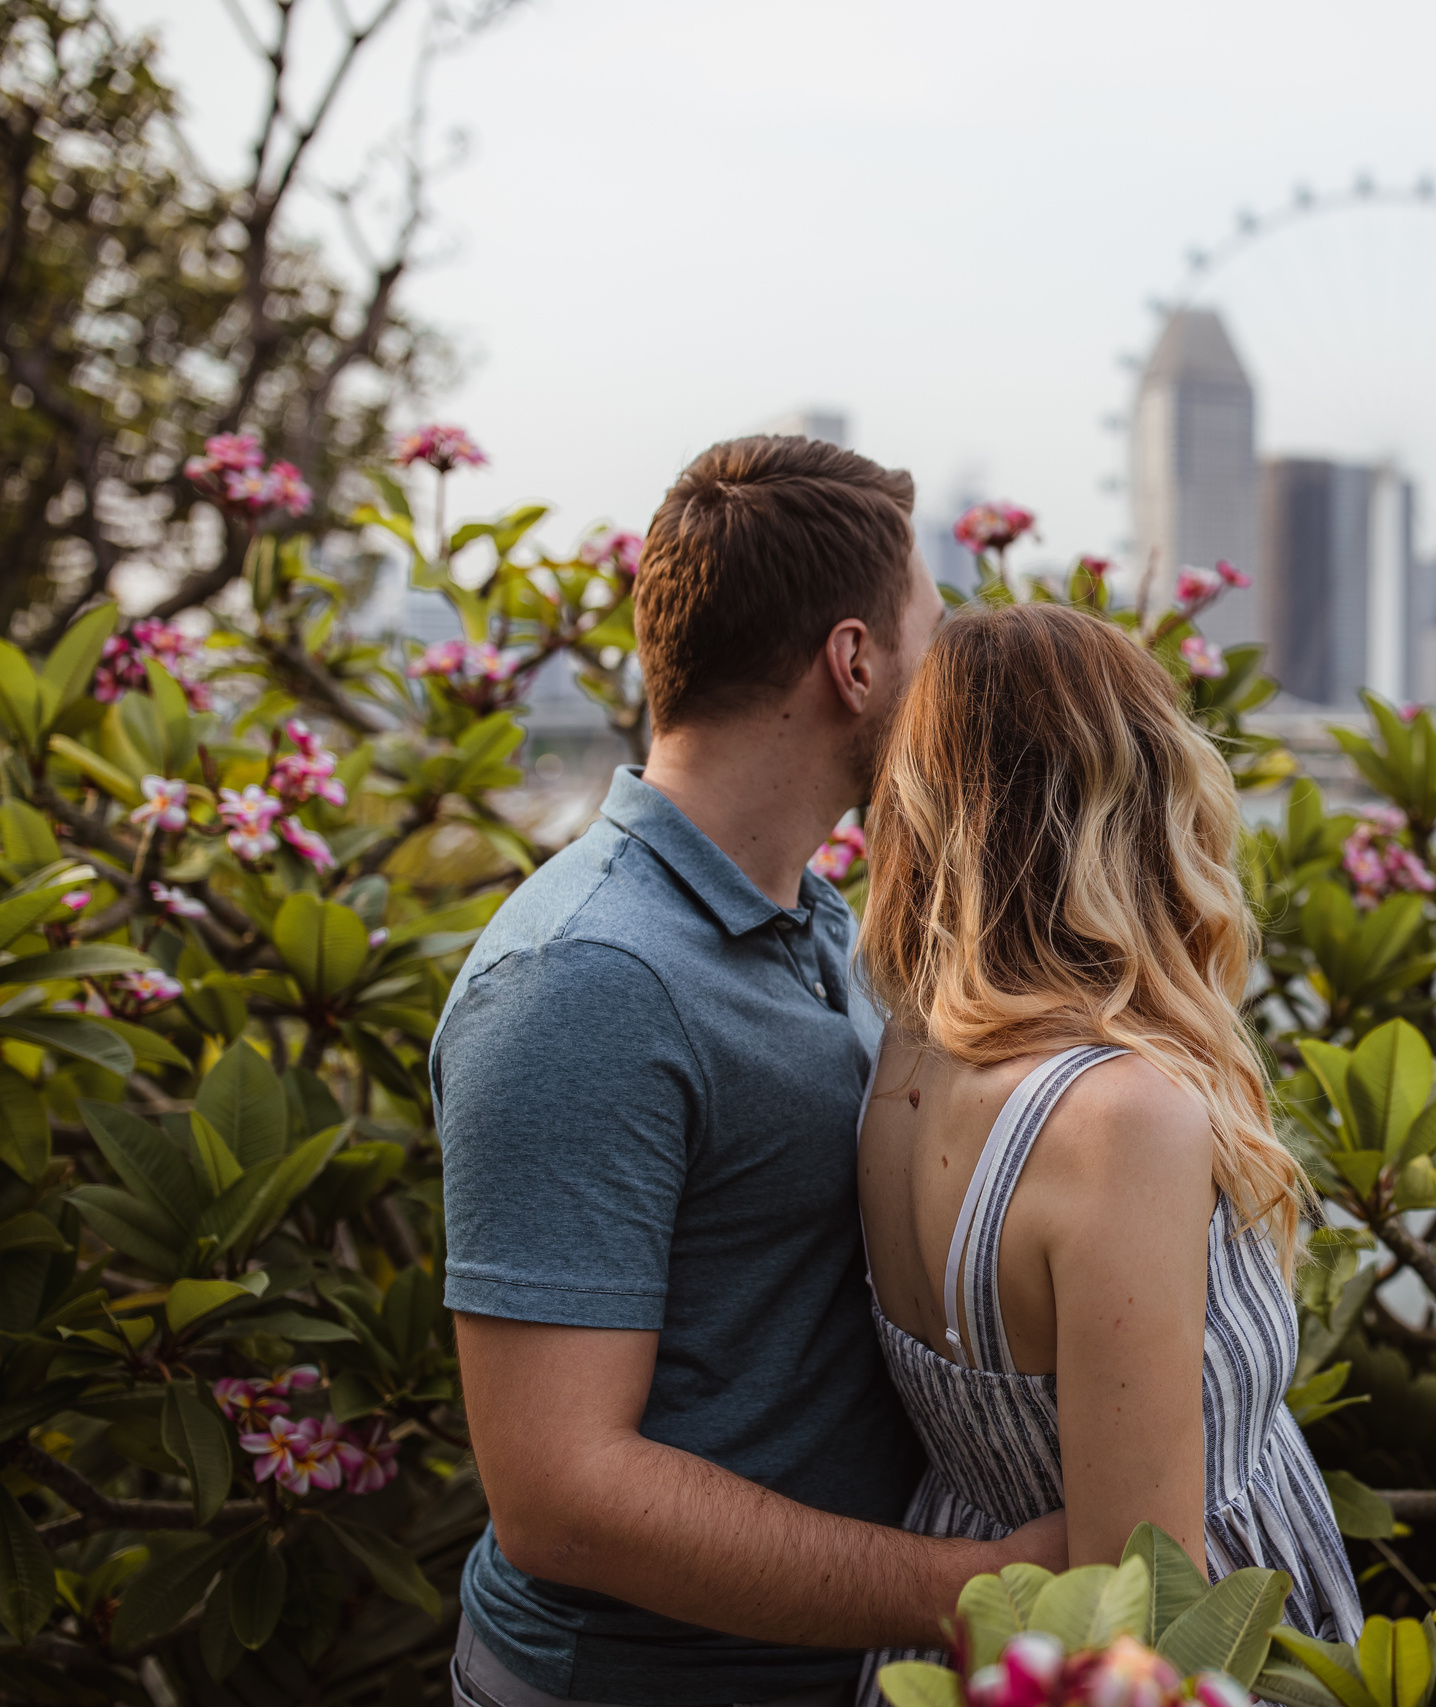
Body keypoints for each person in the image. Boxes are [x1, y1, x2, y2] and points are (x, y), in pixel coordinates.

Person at [434, 435, 1065, 1707]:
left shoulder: (819, 920)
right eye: (930, 639)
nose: (948, 678)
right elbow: (560, 1500)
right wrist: (982, 1583)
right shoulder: (585, 982)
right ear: (853, 662)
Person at [852, 601, 1363, 1691]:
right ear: (1140, 802)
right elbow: (1150, 1588)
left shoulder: (905, 1052)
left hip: (973, 1644)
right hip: (1141, 1668)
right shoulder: (1116, 1120)